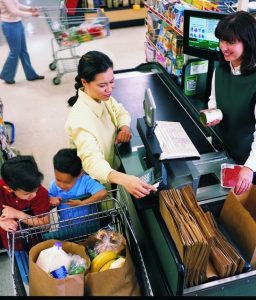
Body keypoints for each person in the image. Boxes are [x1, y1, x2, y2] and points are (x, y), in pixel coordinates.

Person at [65, 50, 157, 199]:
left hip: (113, 165)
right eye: (102, 85)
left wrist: (124, 127)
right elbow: (92, 162)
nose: (109, 89)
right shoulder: (80, 121)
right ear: (84, 82)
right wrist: (124, 179)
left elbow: (120, 111)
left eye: (112, 81)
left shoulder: (100, 97)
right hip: (98, 183)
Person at [201, 11, 256, 195]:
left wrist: (249, 168)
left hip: (249, 160)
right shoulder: (222, 67)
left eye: (231, 42)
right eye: (222, 41)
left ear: (248, 43)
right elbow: (214, 98)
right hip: (224, 148)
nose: (223, 47)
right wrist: (212, 112)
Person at [0, 155, 50, 249]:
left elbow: (46, 224)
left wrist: (17, 214)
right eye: (27, 193)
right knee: (18, 259)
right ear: (9, 189)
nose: (34, 195)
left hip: (36, 240)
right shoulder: (1, 187)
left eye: (35, 189)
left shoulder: (41, 193)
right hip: (11, 243)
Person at [0, 0, 45, 84]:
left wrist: (30, 8)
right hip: (9, 25)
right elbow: (13, 11)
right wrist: (31, 14)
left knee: (23, 51)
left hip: (17, 23)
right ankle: (6, 75)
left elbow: (16, 4)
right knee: (15, 52)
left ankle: (31, 75)